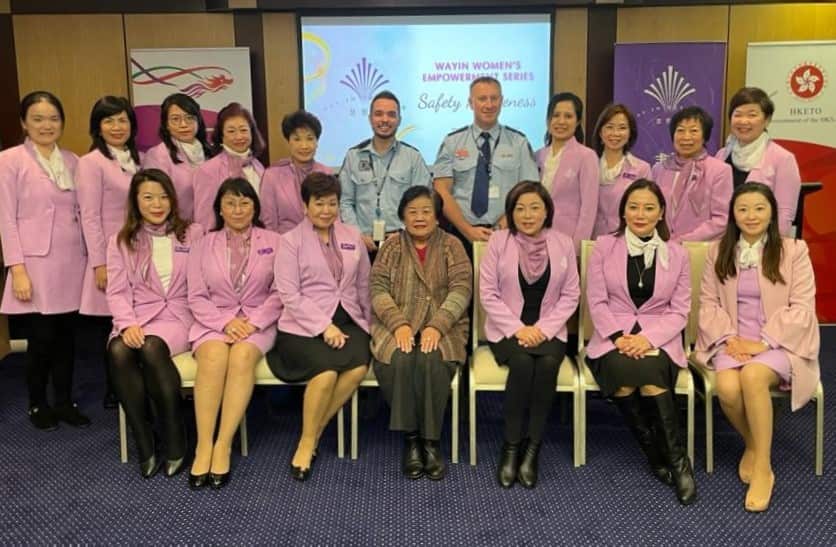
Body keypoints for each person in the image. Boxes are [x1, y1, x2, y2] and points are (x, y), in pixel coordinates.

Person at [695, 182, 819, 512]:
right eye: (743, 209)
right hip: (733, 341)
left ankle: (763, 466)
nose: (751, 216)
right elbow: (708, 304)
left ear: (772, 213)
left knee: (751, 377)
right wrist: (730, 339)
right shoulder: (719, 250)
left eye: (759, 208)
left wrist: (762, 342)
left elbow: (803, 307)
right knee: (727, 388)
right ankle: (752, 443)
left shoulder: (794, 250)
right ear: (733, 215)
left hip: (781, 342)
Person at [585, 179, 696, 505]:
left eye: (649, 207)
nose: (640, 214)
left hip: (658, 337)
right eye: (633, 207)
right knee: (621, 379)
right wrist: (620, 338)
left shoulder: (676, 253)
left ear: (661, 212)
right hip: (612, 338)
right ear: (622, 211)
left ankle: (677, 463)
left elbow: (680, 310)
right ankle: (654, 452)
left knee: (650, 379)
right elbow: (597, 300)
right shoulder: (605, 246)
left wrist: (646, 339)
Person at [267, 172, 370, 481]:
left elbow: (363, 285)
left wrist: (371, 324)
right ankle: (306, 442)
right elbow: (289, 294)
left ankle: (317, 428)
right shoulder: (290, 242)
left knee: (358, 366)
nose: (326, 210)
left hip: (348, 320)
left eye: (332, 203)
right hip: (302, 327)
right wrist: (324, 327)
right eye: (319, 203)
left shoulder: (353, 235)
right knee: (324, 374)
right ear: (305, 205)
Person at [479, 181, 579, 488]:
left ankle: (532, 448)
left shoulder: (563, 242)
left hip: (550, 329)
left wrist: (543, 329)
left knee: (547, 366)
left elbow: (571, 294)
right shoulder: (498, 241)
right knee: (522, 363)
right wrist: (518, 329)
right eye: (520, 208)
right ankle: (511, 446)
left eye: (535, 207)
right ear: (510, 212)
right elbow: (488, 293)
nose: (527, 215)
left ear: (547, 210)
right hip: (507, 328)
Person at [0, 91, 90, 430]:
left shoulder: (73, 161)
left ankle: (65, 401)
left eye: (53, 118)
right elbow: (6, 219)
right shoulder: (9, 161)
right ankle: (38, 403)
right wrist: (17, 269)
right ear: (24, 122)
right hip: (35, 264)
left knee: (68, 336)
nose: (46, 125)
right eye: (37, 118)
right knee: (42, 338)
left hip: (71, 261)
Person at [106, 169, 203, 478]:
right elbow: (118, 291)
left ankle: (175, 439)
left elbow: (203, 283)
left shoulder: (193, 233)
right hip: (137, 316)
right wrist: (126, 323)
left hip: (179, 315)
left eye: (163, 197)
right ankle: (145, 441)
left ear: (172, 200)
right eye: (148, 197)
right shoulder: (121, 241)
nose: (157, 204)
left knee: (151, 347)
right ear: (136, 202)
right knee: (119, 350)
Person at [370, 186, 471, 480]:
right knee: (398, 359)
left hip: (444, 326)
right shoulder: (390, 246)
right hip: (396, 324)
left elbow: (461, 289)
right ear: (402, 216)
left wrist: (437, 325)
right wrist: (398, 323)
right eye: (412, 211)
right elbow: (377, 288)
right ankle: (412, 439)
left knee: (431, 361)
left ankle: (431, 441)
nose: (419, 217)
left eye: (426, 211)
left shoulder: (452, 245)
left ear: (437, 217)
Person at [187, 177, 282, 489]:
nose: (238, 209)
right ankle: (203, 445)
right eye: (230, 203)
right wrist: (225, 322)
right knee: (213, 357)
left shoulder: (275, 241)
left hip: (258, 322)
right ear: (220, 209)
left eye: (245, 202)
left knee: (242, 357)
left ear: (255, 206)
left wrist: (253, 322)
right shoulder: (203, 244)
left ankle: (222, 445)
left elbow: (280, 292)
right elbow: (196, 295)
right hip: (213, 321)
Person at [77, 96, 142, 408]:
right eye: (109, 121)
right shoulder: (91, 163)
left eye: (123, 120)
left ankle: (134, 382)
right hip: (110, 253)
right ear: (97, 127)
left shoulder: (137, 158)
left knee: (137, 315)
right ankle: (114, 389)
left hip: (138, 249)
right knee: (112, 323)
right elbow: (88, 216)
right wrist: (98, 262)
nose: (117, 127)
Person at [433, 76, 539, 254]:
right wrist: (467, 230)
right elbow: (441, 190)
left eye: (494, 98)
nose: (489, 105)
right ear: (470, 102)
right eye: (482, 99)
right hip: (460, 235)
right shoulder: (452, 142)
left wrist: (499, 230)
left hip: (508, 234)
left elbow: (529, 191)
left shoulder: (518, 142)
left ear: (502, 101)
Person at [339, 91, 432, 252]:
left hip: (403, 243)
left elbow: (424, 203)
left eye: (391, 115)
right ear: (370, 118)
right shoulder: (353, 156)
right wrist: (356, 235)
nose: (385, 120)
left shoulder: (413, 157)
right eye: (378, 114)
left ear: (399, 120)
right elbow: (345, 202)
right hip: (361, 244)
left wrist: (404, 232)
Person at [716, 87, 801, 236]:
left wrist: (768, 250)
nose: (743, 121)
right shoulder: (722, 156)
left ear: (767, 120)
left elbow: (784, 215)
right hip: (723, 243)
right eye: (738, 115)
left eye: (752, 115)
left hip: (763, 245)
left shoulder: (783, 159)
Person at [650, 106, 733, 242]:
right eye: (680, 130)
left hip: (699, 250)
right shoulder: (659, 169)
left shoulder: (720, 170)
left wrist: (685, 240)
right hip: (661, 246)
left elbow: (722, 219)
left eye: (694, 131)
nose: (686, 137)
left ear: (705, 137)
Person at [535, 92, 599, 251]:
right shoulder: (537, 155)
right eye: (556, 115)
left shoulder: (586, 156)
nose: (561, 121)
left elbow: (589, 210)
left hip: (567, 242)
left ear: (578, 121)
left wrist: (576, 249)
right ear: (548, 119)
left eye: (568, 116)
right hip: (535, 238)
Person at [192, 102, 265, 230]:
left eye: (243, 130)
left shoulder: (258, 166)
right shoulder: (207, 170)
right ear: (221, 136)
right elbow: (204, 219)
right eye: (231, 131)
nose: (239, 136)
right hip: (222, 243)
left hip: (259, 239)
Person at [143, 93, 215, 221]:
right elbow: (155, 203)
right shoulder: (157, 155)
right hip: (177, 231)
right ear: (166, 124)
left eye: (189, 118)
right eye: (175, 119)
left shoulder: (211, 153)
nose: (183, 124)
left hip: (211, 230)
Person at [260, 110, 331, 234]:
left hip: (320, 245)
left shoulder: (326, 173)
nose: (304, 146)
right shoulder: (272, 176)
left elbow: (334, 218)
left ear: (317, 142)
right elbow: (268, 223)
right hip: (285, 245)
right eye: (297, 139)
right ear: (288, 142)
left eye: (310, 138)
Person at [590, 103, 652, 237]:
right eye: (610, 127)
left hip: (627, 239)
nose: (615, 133)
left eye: (622, 128)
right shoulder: (588, 164)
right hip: (592, 240)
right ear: (600, 132)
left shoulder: (641, 169)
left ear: (630, 133)